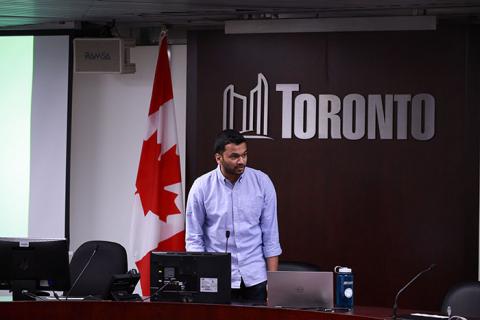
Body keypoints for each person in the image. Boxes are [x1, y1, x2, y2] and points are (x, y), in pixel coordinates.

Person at [185, 129, 282, 302]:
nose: (241, 161)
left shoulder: (262, 182)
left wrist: (273, 282)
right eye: (234, 156)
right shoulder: (201, 187)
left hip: (255, 278)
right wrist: (201, 278)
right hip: (215, 278)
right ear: (218, 158)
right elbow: (194, 238)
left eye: (244, 155)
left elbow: (271, 237)